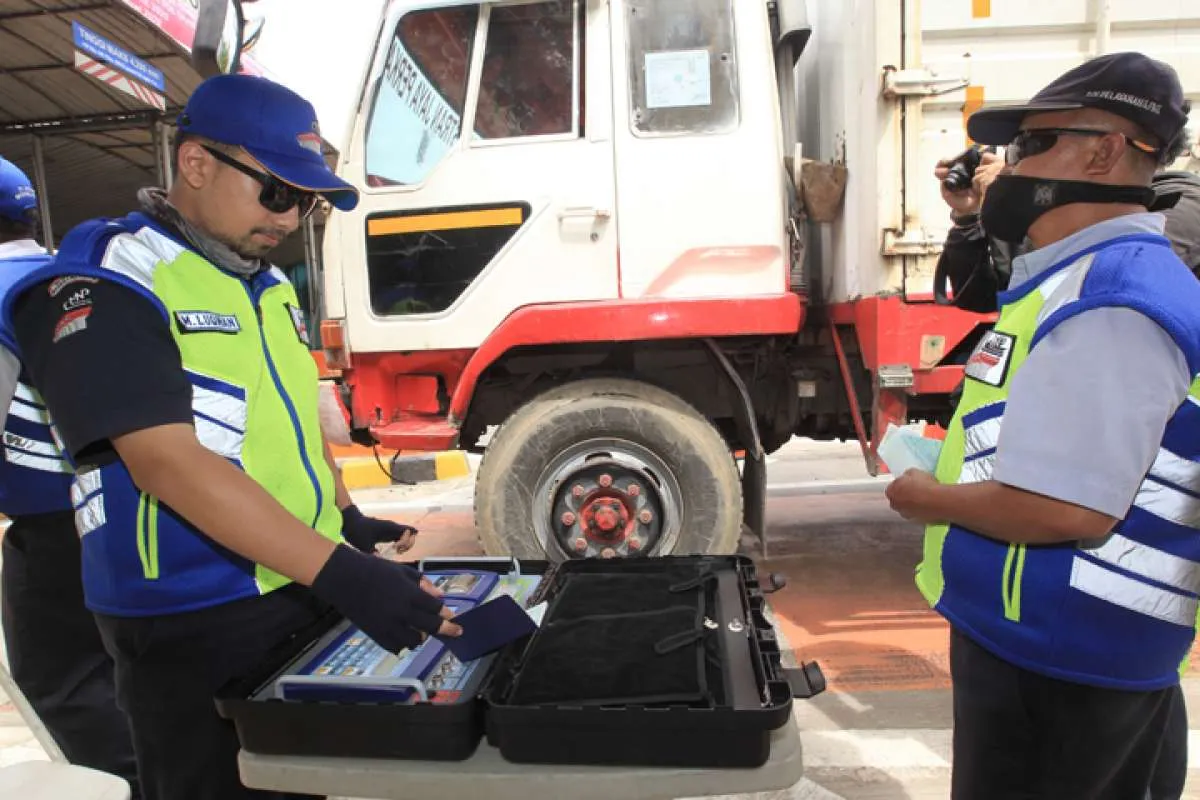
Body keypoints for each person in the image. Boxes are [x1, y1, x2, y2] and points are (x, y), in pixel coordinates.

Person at [2, 75, 460, 800]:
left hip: (293, 581)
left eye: (304, 201)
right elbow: (163, 461)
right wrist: (340, 572)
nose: (289, 218)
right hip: (191, 613)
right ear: (196, 164)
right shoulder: (112, 278)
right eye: (276, 192)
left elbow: (287, 422)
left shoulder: (266, 285)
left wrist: (343, 519)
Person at [885, 52, 1200, 799]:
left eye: (1034, 144)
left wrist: (925, 498)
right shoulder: (1073, 278)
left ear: (1106, 150)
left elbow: (1066, 507)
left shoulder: (1117, 297)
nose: (1013, 168)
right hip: (1044, 648)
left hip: (1068, 667)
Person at [0, 157, 141, 795]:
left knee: (65, 683)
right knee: (126, 671)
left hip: (53, 524)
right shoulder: (72, 273)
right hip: (133, 506)